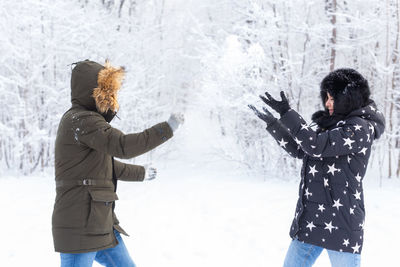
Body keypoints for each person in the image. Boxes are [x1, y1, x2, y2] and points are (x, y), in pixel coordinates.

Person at [52, 59, 184, 267]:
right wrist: (165, 129)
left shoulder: (87, 122)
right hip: (80, 224)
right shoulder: (82, 120)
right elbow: (123, 145)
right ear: (92, 91)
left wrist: (141, 172)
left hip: (99, 221)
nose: (110, 98)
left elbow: (107, 167)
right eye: (105, 91)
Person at [249, 68, 385, 267]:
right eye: (327, 98)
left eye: (333, 98)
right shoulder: (331, 123)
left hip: (341, 224)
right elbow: (301, 149)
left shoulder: (359, 128)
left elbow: (315, 145)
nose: (328, 103)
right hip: (312, 220)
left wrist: (287, 113)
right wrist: (274, 124)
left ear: (347, 97)